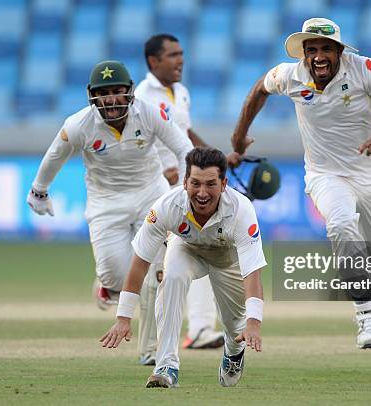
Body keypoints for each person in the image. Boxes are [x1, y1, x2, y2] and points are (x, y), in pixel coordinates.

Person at [231, 18, 371, 350]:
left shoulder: (365, 69)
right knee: (342, 225)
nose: (318, 56)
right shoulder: (289, 75)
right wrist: (239, 135)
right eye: (312, 49)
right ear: (303, 53)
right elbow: (260, 88)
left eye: (326, 49)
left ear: (340, 51)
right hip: (324, 175)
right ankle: (365, 311)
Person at [26, 60, 193, 363]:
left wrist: (186, 189)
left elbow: (183, 148)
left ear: (129, 92)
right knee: (119, 277)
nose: (112, 100)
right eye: (104, 93)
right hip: (106, 203)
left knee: (158, 272)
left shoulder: (149, 112)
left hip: (150, 195)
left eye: (117, 91)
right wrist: (39, 190)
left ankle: (152, 351)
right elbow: (55, 156)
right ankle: (108, 285)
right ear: (92, 96)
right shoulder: (79, 124)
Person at [100, 147, 266, 388]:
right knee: (173, 277)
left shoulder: (241, 210)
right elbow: (139, 264)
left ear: (224, 184)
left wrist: (254, 324)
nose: (202, 193)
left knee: (235, 324)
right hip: (187, 247)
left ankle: (234, 350)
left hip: (227, 259)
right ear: (185, 182)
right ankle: (166, 365)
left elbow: (252, 272)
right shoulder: (166, 207)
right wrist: (123, 318)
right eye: (195, 183)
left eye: (210, 184)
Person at [135, 33, 226, 351]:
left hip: (184, 189)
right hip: (155, 189)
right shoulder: (142, 95)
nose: (180, 60)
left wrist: (215, 158)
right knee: (158, 268)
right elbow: (134, 145)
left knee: (200, 250)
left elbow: (183, 133)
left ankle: (200, 329)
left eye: (182, 53)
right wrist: (161, 172)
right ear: (153, 61)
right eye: (173, 55)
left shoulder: (181, 93)